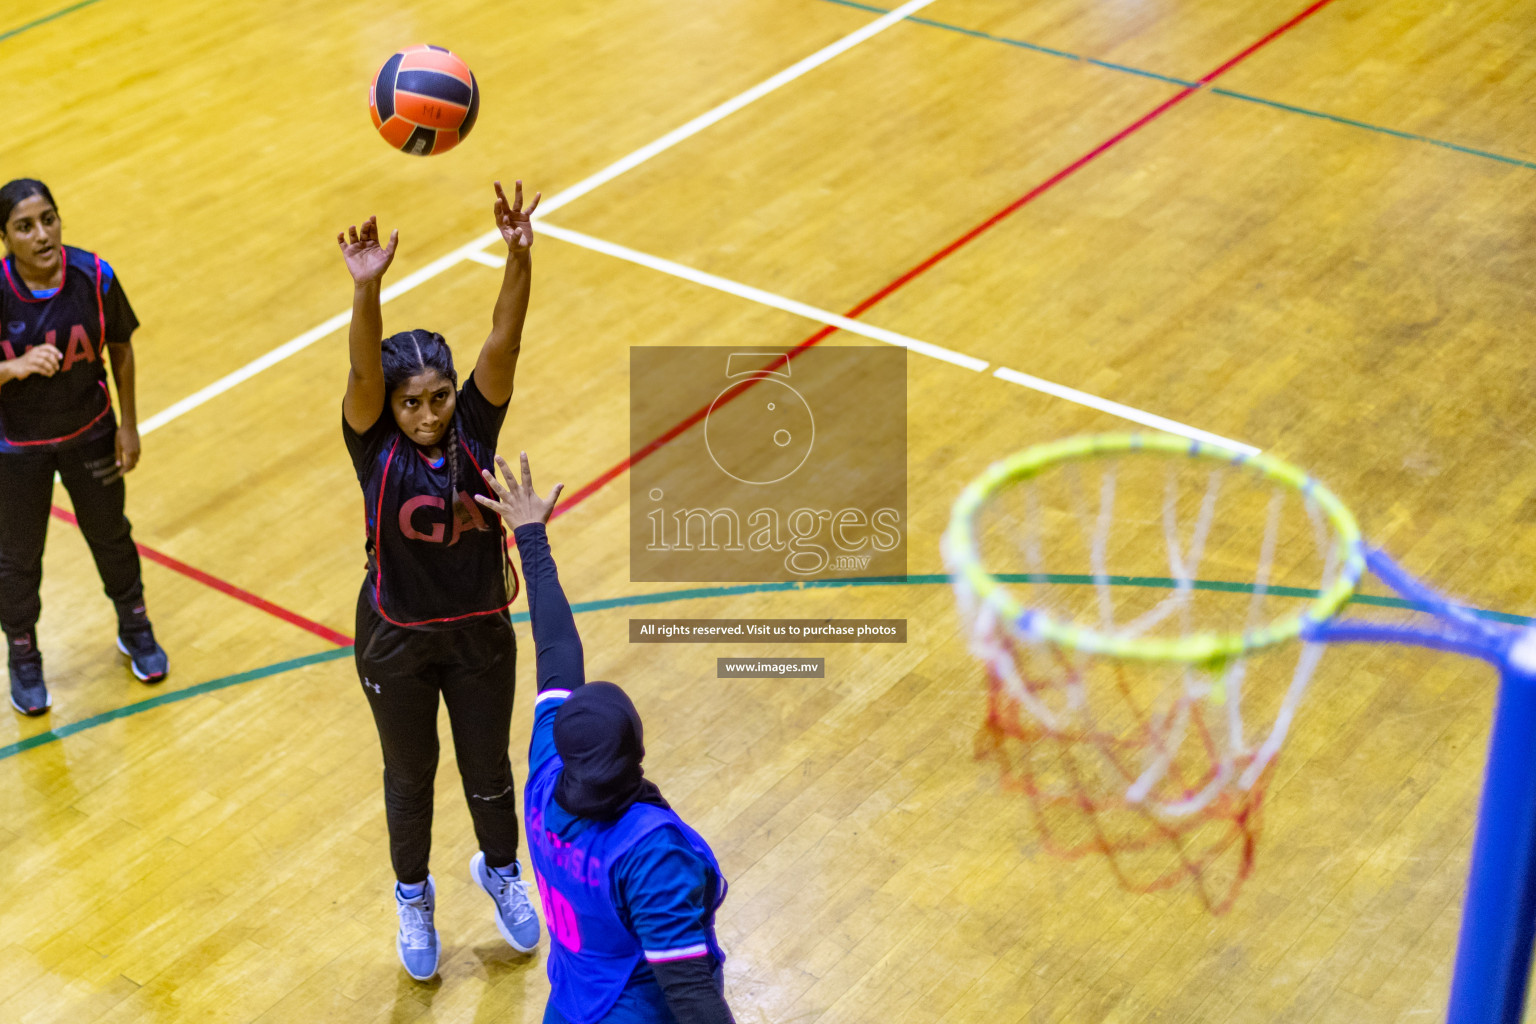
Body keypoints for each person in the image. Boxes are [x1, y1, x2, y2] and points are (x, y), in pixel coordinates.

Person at [337, 181, 543, 981]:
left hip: (480, 630)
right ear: (387, 407)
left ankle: (499, 869)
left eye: (440, 397)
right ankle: (413, 894)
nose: (427, 414)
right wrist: (367, 287)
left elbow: (505, 340)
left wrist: (519, 255)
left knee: (489, 766)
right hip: (396, 637)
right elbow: (361, 369)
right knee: (410, 773)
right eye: (411, 402)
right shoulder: (369, 441)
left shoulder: (475, 425)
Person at [477, 452, 737, 1024]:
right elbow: (690, 994)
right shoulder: (648, 853)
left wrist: (529, 535)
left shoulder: (547, 775)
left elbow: (556, 654)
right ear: (636, 750)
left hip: (570, 1006)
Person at [0, 178, 167, 716]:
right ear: (5, 238)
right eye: (25, 226)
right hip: (16, 447)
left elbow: (120, 348)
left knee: (111, 536)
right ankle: (23, 656)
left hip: (90, 431)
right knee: (17, 560)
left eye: (48, 218)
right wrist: (13, 367)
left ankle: (135, 625)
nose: (42, 234)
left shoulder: (94, 276)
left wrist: (130, 426)